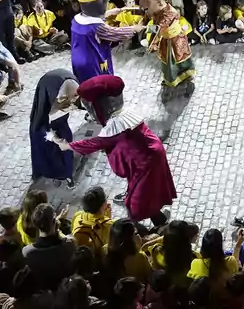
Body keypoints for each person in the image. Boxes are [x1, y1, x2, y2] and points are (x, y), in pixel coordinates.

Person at [49, 74, 176, 226]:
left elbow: (93, 144)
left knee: (136, 204)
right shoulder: (124, 115)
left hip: (144, 164)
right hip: (149, 156)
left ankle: (143, 228)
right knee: (148, 191)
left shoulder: (114, 128)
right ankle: (158, 219)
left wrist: (66, 145)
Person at [69, 0, 141, 82]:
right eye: (106, 0)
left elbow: (91, 17)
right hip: (94, 64)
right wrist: (135, 28)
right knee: (102, 86)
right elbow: (116, 33)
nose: (109, 0)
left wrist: (109, 13)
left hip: (80, 63)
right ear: (97, 4)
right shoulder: (97, 27)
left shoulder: (76, 19)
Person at [134, 0, 195, 89]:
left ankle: (183, 76)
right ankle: (172, 78)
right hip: (166, 39)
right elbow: (148, 17)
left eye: (144, 1)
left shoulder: (169, 13)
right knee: (168, 62)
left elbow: (158, 28)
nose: (142, 5)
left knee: (177, 60)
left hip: (175, 39)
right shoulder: (154, 8)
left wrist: (145, 31)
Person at [29, 68, 80, 186]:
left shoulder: (71, 86)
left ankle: (66, 173)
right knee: (46, 147)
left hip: (60, 123)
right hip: (49, 125)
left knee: (66, 143)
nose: (72, 101)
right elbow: (40, 126)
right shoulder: (45, 103)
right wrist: (53, 138)